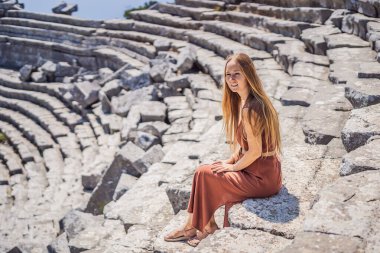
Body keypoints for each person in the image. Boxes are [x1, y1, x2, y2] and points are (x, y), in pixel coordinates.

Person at [164, 52, 283, 247]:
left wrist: (233, 168)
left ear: (248, 75)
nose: (231, 79)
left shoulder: (250, 109)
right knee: (205, 170)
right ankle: (202, 225)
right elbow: (245, 147)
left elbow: (255, 151)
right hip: (265, 171)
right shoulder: (249, 101)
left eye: (237, 74)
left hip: (262, 177)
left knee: (204, 172)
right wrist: (229, 161)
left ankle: (197, 227)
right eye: (228, 75)